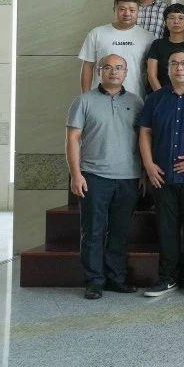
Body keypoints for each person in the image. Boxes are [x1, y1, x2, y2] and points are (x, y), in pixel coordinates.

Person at [66, 54, 143, 299]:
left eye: (119, 68)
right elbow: (72, 139)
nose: (113, 72)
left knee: (120, 231)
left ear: (126, 72)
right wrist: (76, 174)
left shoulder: (136, 101)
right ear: (99, 71)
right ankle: (94, 281)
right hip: (94, 176)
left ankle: (116, 278)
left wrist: (143, 172)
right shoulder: (84, 101)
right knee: (93, 231)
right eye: (107, 67)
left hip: (129, 177)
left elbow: (144, 139)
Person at [137, 50, 184, 298]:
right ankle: (167, 277)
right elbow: (145, 132)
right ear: (168, 69)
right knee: (166, 228)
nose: (179, 67)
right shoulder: (155, 98)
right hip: (162, 174)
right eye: (174, 63)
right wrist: (148, 164)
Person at [78, 0, 154, 96]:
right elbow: (88, 66)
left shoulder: (148, 37)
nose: (127, 13)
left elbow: (152, 71)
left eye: (132, 10)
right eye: (122, 9)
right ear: (114, 10)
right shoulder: (97, 33)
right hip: (100, 97)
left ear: (138, 11)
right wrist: (85, 97)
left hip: (135, 97)